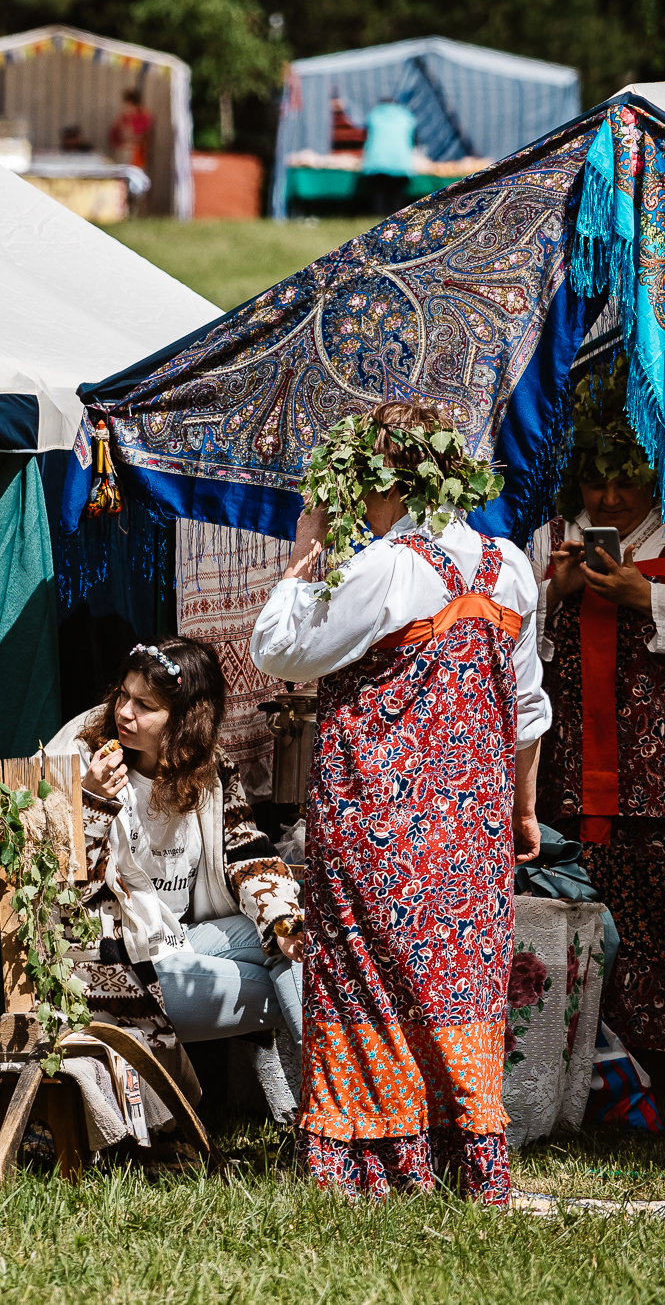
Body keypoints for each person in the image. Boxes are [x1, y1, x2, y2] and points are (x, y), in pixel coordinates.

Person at [251, 400, 549, 1203]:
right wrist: (523, 807)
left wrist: (303, 559)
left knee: (370, 982)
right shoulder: (510, 567)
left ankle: (379, 1160)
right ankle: (464, 1158)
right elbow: (525, 707)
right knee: (459, 982)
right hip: (471, 829)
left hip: (378, 818)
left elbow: (277, 647)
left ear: (386, 482)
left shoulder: (383, 565)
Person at [531, 356, 665, 1062]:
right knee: (578, 911)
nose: (611, 497)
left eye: (628, 480)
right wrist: (554, 592)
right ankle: (582, 1062)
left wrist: (639, 597)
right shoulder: (549, 540)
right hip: (569, 773)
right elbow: (509, 644)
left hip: (663, 776)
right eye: (596, 479)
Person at [44, 638, 306, 1119]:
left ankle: (328, 1109)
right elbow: (63, 893)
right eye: (123, 696)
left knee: (291, 936)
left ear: (187, 719)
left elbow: (249, 853)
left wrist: (284, 925)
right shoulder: (80, 758)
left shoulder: (209, 769)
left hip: (180, 940)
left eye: (145, 705)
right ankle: (327, 1104)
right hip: (118, 964)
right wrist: (93, 802)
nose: (124, 712)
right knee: (293, 979)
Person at [106, 87, 153, 170]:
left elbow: (140, 136)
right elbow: (115, 135)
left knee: (136, 175)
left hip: (138, 153)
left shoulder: (144, 116)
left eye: (127, 104)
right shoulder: (123, 117)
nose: (125, 106)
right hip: (123, 151)